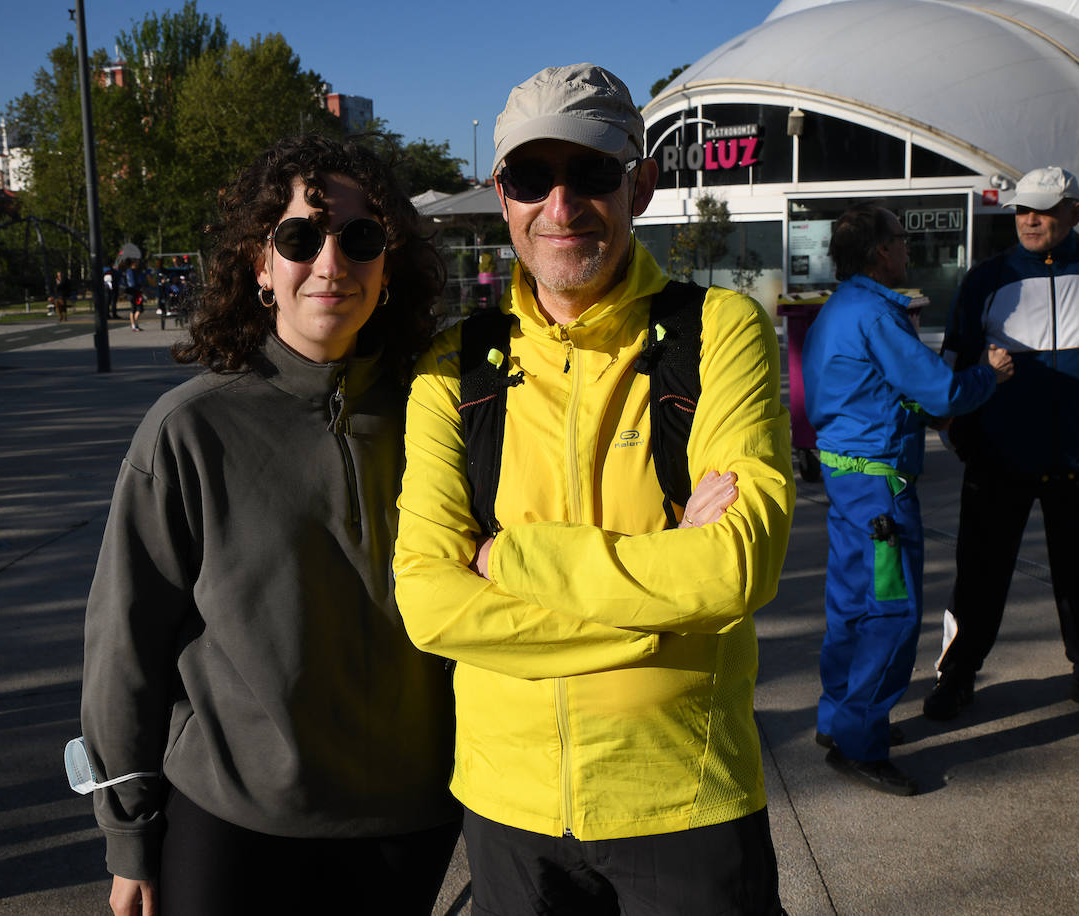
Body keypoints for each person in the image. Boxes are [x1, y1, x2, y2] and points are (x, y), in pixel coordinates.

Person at [393, 63, 794, 915]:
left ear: (640, 185)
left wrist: (512, 559)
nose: (562, 206)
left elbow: (736, 572)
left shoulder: (718, 332)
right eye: (533, 178)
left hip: (684, 797)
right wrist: (658, 621)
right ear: (502, 196)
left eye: (593, 173)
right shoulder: (452, 368)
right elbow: (429, 603)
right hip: (508, 810)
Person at [80, 134, 458, 916]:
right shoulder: (189, 428)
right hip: (231, 816)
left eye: (360, 239)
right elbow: (126, 642)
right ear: (260, 263)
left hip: (407, 816)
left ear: (389, 265)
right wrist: (129, 836)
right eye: (299, 238)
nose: (331, 262)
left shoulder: (444, 414)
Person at [924, 166, 1079, 726]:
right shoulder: (987, 278)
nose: (1030, 220)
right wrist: (965, 440)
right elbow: (953, 367)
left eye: (1045, 210)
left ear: (1075, 212)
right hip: (998, 465)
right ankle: (957, 678)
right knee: (978, 579)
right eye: (1023, 209)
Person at [802, 205, 1013, 795]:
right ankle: (859, 743)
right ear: (878, 252)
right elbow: (941, 388)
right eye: (900, 239)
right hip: (880, 495)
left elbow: (871, 392)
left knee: (849, 605)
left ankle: (837, 718)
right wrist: (989, 375)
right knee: (889, 614)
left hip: (849, 485)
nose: (908, 248)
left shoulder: (840, 309)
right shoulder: (876, 313)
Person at [123, 259, 144, 331]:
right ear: (133, 263)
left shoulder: (136, 271)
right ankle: (134, 325)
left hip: (136, 292)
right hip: (132, 292)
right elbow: (132, 283)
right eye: (136, 263)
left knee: (139, 309)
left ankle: (135, 324)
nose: (138, 264)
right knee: (134, 308)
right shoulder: (130, 271)